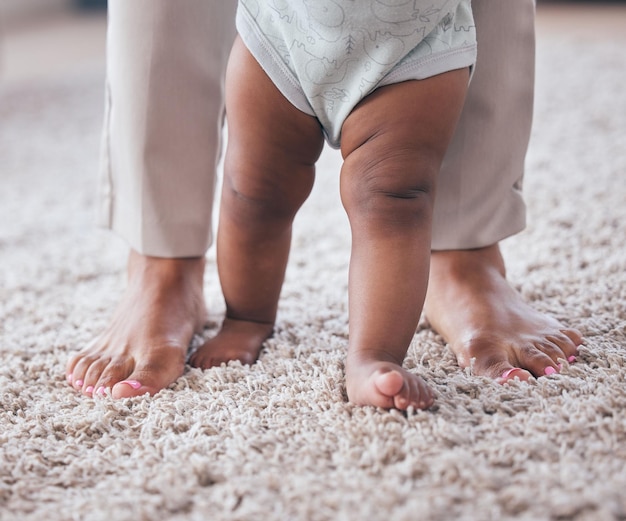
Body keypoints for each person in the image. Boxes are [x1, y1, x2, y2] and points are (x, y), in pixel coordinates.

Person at [65, 0, 582, 400]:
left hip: (416, 39)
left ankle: (375, 354)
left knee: (394, 201)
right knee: (253, 193)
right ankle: (244, 316)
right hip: (280, 29)